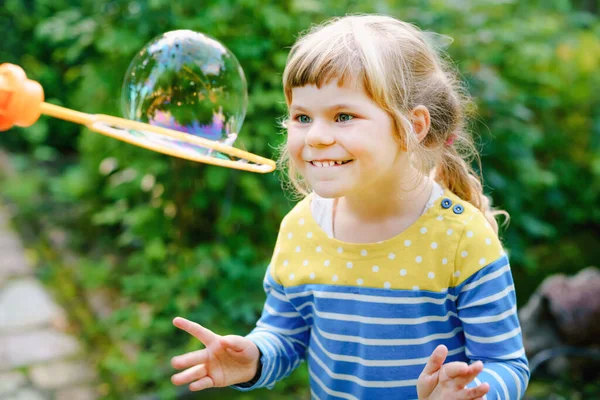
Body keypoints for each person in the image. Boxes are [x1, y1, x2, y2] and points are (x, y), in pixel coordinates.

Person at [170, 14, 529, 399]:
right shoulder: (301, 227)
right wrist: (256, 357)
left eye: (343, 116)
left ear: (414, 126)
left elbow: (507, 364)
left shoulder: (461, 237)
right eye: (302, 117)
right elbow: (285, 334)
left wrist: (474, 394)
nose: (318, 136)